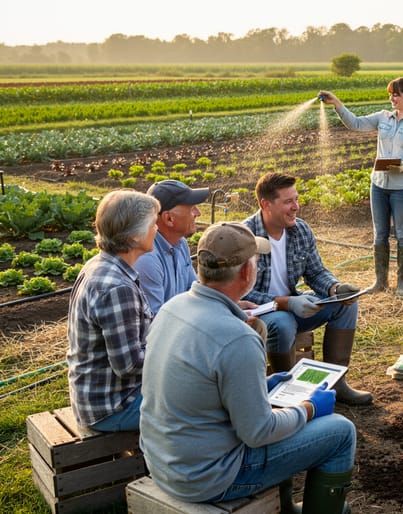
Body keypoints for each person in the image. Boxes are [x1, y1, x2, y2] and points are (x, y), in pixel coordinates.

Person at [140, 222, 356, 513]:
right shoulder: (238, 337)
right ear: (245, 272)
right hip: (210, 477)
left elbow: (204, 390)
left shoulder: (172, 308)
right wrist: (309, 408)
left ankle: (287, 507)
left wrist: (263, 385)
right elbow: (259, 432)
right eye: (256, 260)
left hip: (164, 463)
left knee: (278, 408)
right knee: (341, 431)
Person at [243, 172, 372, 405]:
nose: (296, 207)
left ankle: (338, 383)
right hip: (259, 314)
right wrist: (285, 303)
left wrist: (335, 288)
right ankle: (286, 392)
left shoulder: (300, 230)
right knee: (282, 323)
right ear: (266, 204)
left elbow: (315, 272)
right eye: (288, 202)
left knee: (345, 306)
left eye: (296, 199)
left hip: (295, 305)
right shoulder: (245, 236)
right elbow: (241, 293)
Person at [319, 77, 403, 296]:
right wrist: (337, 104)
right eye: (390, 94)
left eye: (396, 94)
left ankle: (402, 284)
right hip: (378, 185)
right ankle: (380, 282)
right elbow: (356, 123)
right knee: (380, 234)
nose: (392, 98)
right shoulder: (383, 117)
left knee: (402, 234)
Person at [67, 190, 159, 431]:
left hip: (95, 398)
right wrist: (176, 350)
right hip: (115, 406)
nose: (156, 229)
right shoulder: (118, 287)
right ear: (134, 237)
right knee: (202, 400)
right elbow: (128, 366)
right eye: (153, 223)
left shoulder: (101, 264)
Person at [134, 179, 209, 314]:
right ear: (169, 219)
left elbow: (195, 292)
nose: (198, 213)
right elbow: (157, 321)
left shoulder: (181, 243)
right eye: (192, 208)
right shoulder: (148, 259)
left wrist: (226, 307)